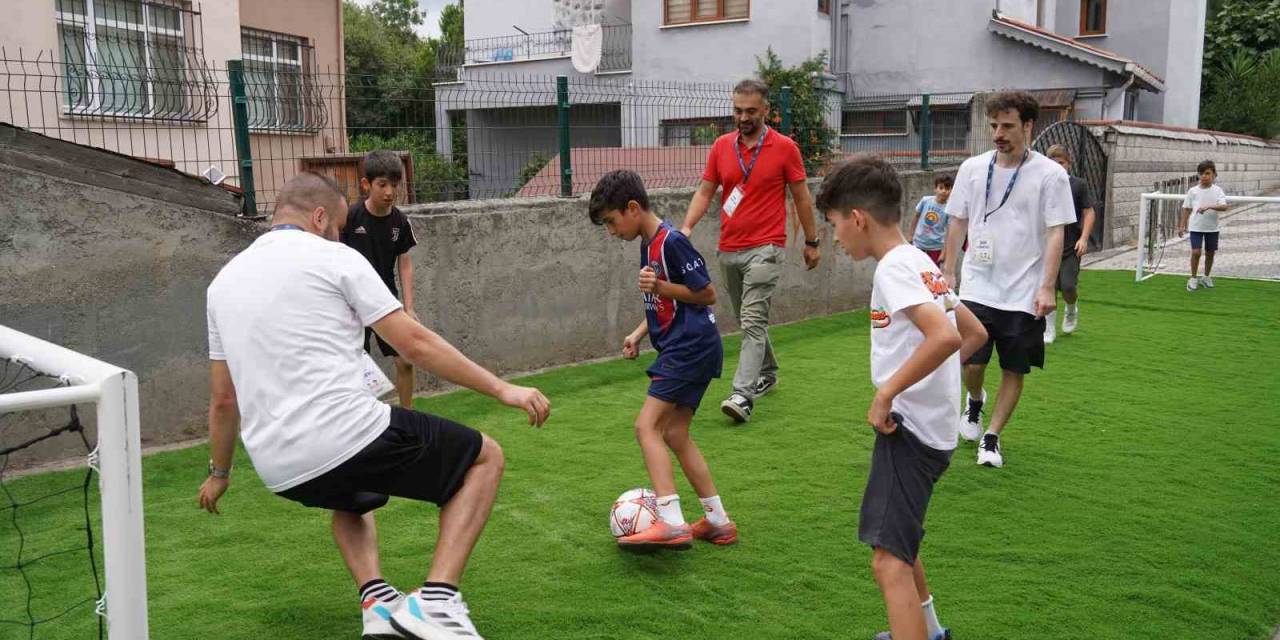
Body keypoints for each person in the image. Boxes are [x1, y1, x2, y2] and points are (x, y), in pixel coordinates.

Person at [199, 173, 551, 640]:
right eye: (340, 226)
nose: (341, 235)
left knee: (351, 495)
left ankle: (378, 605)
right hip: (344, 435)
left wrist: (219, 474)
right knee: (484, 457)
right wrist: (504, 390)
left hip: (278, 469)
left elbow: (224, 400)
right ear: (320, 218)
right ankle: (437, 604)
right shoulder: (336, 258)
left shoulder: (222, 285)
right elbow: (415, 343)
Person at [815, 154, 987, 640]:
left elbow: (948, 338)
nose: (834, 237)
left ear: (858, 218)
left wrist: (886, 392)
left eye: (833, 225)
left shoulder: (893, 269)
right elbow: (972, 330)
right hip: (931, 432)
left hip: (908, 435)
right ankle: (929, 630)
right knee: (903, 542)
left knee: (888, 561)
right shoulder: (921, 262)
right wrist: (935, 384)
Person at [588, 169, 738, 549]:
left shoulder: (672, 242)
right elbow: (664, 298)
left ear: (633, 208)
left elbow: (705, 294)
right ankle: (718, 520)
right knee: (673, 432)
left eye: (611, 221)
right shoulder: (648, 244)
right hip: (687, 346)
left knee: (646, 427)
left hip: (690, 346)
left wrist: (660, 286)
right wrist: (638, 333)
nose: (611, 231)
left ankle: (670, 520)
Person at [939, 91, 1075, 468]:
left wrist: (1047, 285)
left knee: (1014, 366)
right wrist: (949, 269)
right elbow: (958, 221)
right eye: (994, 125)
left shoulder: (1051, 175)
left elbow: (1055, 233)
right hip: (978, 283)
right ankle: (975, 401)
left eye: (1007, 126)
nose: (998, 133)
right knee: (972, 363)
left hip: (1024, 290)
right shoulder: (972, 168)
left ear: (1029, 125)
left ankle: (992, 436)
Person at [680, 78, 821, 425]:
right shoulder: (721, 147)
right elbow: (705, 191)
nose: (742, 117)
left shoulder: (785, 148)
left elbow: (802, 197)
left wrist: (811, 241)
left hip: (767, 248)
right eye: (738, 110)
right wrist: (686, 228)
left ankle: (742, 394)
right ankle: (768, 370)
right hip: (729, 248)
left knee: (752, 320)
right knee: (748, 320)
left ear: (766, 111)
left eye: (750, 111)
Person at [341, 150, 419, 408]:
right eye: (382, 184)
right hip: (351, 304)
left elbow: (405, 263)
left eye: (394, 185)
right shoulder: (351, 218)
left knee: (405, 359)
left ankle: (408, 416)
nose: (389, 192)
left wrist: (409, 307)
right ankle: (357, 414)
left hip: (385, 301)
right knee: (354, 363)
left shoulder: (400, 222)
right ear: (367, 185)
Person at [1042, 145, 1097, 343]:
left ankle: (1071, 308)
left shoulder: (1078, 185)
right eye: (1052, 163)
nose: (1057, 167)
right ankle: (1048, 329)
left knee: (1067, 286)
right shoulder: (1041, 185)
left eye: (1061, 163)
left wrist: (1083, 238)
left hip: (1070, 247)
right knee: (1047, 286)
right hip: (1045, 246)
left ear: (1068, 164)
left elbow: (1089, 211)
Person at [1177, 159, 1229, 291]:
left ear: (1214, 174)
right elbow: (1187, 209)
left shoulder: (1218, 191)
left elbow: (1224, 207)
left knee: (1210, 253)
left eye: (1207, 173)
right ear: (1198, 175)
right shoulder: (1192, 191)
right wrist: (1181, 226)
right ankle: (1193, 278)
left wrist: (1208, 206)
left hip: (1212, 228)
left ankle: (1206, 277)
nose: (1204, 176)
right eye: (1202, 174)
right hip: (1196, 227)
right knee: (1196, 252)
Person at [906, 175, 954, 267]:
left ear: (951, 190)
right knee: (917, 270)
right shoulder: (925, 201)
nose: (944, 191)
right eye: (941, 188)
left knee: (933, 273)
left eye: (947, 188)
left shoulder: (949, 209)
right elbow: (915, 217)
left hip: (935, 247)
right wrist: (910, 236)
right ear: (935, 189)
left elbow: (949, 232)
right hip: (918, 243)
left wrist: (943, 253)